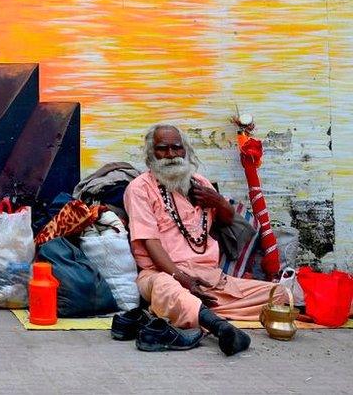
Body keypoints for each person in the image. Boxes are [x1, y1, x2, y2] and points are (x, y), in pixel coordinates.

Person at [122, 123, 288, 356]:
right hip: (162, 274)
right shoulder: (140, 189)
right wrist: (183, 280)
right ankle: (221, 327)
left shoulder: (201, 184)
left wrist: (219, 202)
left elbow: (231, 223)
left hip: (211, 279)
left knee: (278, 294)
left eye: (176, 148)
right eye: (162, 149)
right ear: (151, 154)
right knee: (165, 289)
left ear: (185, 150)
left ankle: (196, 312)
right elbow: (151, 243)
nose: (170, 155)